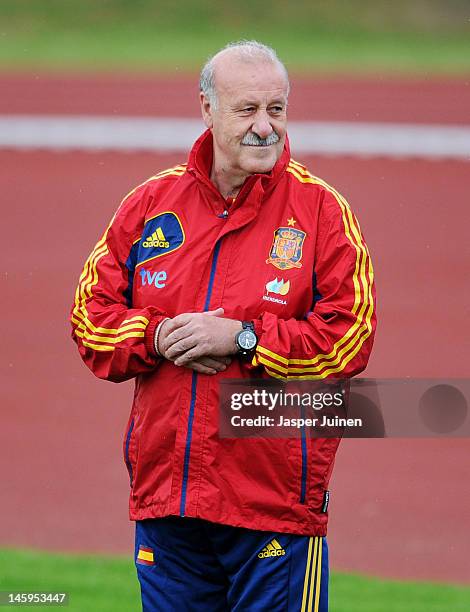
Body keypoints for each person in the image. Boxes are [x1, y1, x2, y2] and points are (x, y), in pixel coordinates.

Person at [71, 40, 376, 611]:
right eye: (247, 109)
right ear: (207, 109)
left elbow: (349, 339)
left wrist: (245, 338)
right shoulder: (149, 204)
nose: (266, 127)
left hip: (273, 507)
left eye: (277, 109)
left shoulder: (323, 212)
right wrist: (158, 337)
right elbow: (90, 321)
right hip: (168, 502)